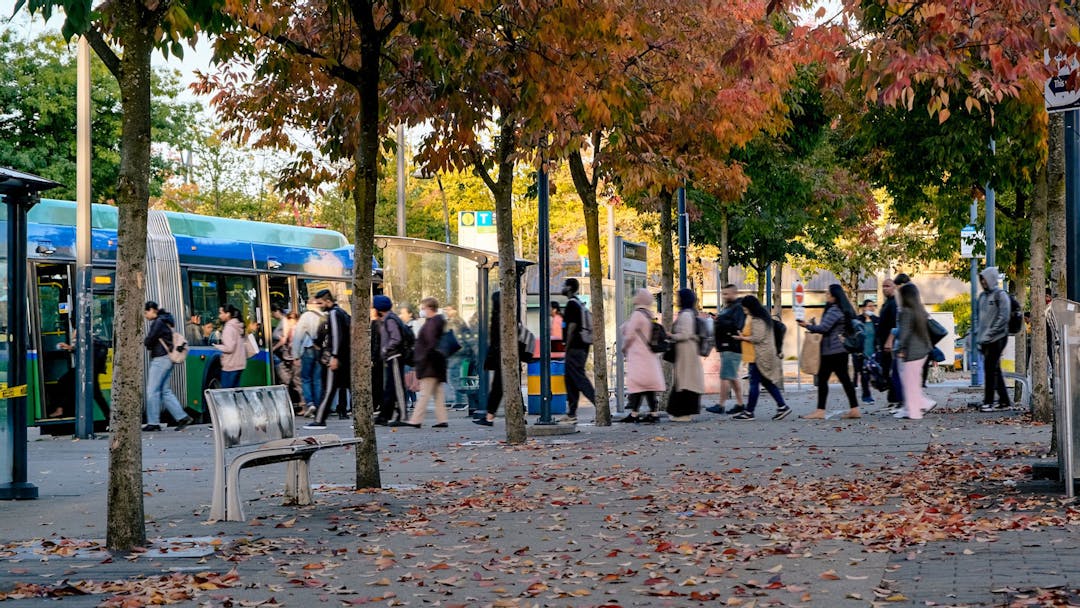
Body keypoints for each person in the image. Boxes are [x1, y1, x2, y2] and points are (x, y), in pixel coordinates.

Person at [798, 284, 861, 420]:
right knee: (845, 380)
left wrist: (807, 325)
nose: (826, 296)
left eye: (828, 294)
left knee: (823, 380)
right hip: (840, 351)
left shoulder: (834, 310)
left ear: (834, 296)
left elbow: (824, 328)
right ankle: (855, 409)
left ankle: (820, 411)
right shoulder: (843, 309)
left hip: (831, 351)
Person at [730, 295, 790, 421]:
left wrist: (742, 338)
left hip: (759, 356)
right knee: (767, 383)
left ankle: (749, 411)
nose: (744, 310)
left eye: (745, 308)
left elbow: (757, 338)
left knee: (754, 384)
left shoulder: (758, 319)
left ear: (750, 307)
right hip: (758, 354)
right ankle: (782, 406)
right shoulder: (760, 317)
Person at [395, 298, 449, 428]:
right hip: (436, 364)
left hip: (429, 364)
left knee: (424, 394)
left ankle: (416, 420)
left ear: (429, 308)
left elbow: (429, 344)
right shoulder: (437, 321)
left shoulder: (432, 323)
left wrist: (420, 360)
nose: (421, 310)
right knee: (438, 393)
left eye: (423, 308)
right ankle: (442, 419)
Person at [143, 301, 193, 431]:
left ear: (152, 310)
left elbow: (149, 340)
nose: (145, 315)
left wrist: (147, 342)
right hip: (168, 358)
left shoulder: (158, 322)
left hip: (160, 358)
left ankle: (153, 423)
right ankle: (182, 417)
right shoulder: (166, 320)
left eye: (146, 312)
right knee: (164, 390)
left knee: (152, 391)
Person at [306, 289, 352, 429]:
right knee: (346, 387)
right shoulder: (342, 313)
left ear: (327, 300)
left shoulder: (333, 314)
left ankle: (320, 419)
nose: (320, 306)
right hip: (345, 357)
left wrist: (334, 356)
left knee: (328, 389)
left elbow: (336, 337)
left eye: (320, 303)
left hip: (336, 358)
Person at [618, 289, 665, 423]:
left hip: (638, 355)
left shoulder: (637, 315)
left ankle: (634, 414)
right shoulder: (648, 314)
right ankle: (653, 413)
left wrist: (624, 348)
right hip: (648, 355)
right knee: (648, 386)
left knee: (638, 385)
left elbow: (630, 335)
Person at [895, 283, 935, 419]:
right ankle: (922, 405)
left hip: (912, 352)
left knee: (910, 383)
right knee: (914, 381)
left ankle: (915, 412)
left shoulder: (906, 311)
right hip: (923, 350)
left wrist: (899, 348)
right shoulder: (920, 310)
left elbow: (904, 333)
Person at [976, 267, 1013, 412]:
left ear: (991, 278)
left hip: (997, 338)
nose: (983, 282)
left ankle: (988, 402)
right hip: (986, 339)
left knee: (990, 370)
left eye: (984, 278)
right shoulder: (983, 297)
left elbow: (1004, 317)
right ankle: (1004, 401)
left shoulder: (1000, 295)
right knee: (994, 370)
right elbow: (980, 319)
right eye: (981, 279)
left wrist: (990, 333)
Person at [560, 278, 596, 424]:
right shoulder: (578, 303)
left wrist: (566, 346)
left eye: (564, 285)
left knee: (579, 379)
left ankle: (600, 406)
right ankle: (571, 413)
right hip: (582, 346)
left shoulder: (571, 304)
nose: (562, 288)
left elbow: (571, 327)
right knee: (570, 379)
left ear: (569, 288)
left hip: (575, 347)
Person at [707, 284, 745, 415]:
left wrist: (720, 320)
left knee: (725, 375)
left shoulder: (738, 308)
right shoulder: (727, 308)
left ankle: (721, 404)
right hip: (725, 346)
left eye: (727, 294)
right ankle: (740, 404)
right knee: (731, 376)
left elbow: (738, 325)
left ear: (734, 293)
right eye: (723, 294)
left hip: (732, 346)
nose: (724, 296)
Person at [667, 288, 705, 421]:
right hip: (687, 352)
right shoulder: (689, 313)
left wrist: (671, 335)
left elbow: (686, 334)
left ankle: (683, 413)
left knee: (684, 382)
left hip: (686, 353)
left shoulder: (686, 315)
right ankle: (682, 412)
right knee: (684, 382)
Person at [373, 294, 407, 426]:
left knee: (397, 387)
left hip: (394, 357)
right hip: (392, 357)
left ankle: (402, 416)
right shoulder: (390, 318)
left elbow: (396, 338)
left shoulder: (390, 320)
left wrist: (385, 349)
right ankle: (384, 416)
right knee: (390, 388)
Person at [474, 291, 504, 427]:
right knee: (505, 385)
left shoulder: (498, 317)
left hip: (501, 357)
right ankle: (490, 416)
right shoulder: (508, 314)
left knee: (498, 387)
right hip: (504, 357)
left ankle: (489, 417)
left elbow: (495, 341)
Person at [292, 297, 326, 417]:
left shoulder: (306, 316)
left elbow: (298, 336)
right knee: (317, 379)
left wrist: (295, 355)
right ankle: (317, 406)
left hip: (308, 348)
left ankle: (310, 403)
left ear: (309, 305)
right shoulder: (324, 315)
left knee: (305, 378)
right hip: (320, 350)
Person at [876, 278, 899, 408]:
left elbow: (895, 325)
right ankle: (893, 398)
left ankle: (896, 398)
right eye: (883, 286)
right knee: (886, 371)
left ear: (894, 287)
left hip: (891, 344)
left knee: (890, 372)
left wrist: (890, 341)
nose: (885, 288)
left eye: (888, 286)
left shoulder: (894, 303)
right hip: (884, 343)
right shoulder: (887, 303)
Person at [214, 304, 247, 389]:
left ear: (228, 314)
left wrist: (217, 346)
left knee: (226, 394)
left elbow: (229, 348)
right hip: (240, 364)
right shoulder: (238, 325)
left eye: (221, 313)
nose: (219, 315)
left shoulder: (228, 328)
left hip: (230, 365)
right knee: (235, 393)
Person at [855, 299, 878, 405]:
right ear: (864, 308)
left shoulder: (876, 320)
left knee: (875, 373)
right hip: (862, 351)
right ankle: (867, 396)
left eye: (873, 306)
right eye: (869, 306)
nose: (871, 308)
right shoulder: (858, 320)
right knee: (864, 375)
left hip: (873, 351)